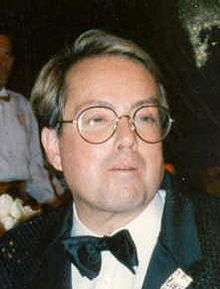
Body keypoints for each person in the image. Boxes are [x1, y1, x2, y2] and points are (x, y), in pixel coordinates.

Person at [0, 29, 219, 289]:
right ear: (54, 148)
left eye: (145, 117)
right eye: (98, 119)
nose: (128, 137)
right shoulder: (15, 258)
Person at [0, 30, 55, 203]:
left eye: (6, 55)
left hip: (20, 205)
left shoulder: (22, 104)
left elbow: (35, 162)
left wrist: (50, 200)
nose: (2, 62)